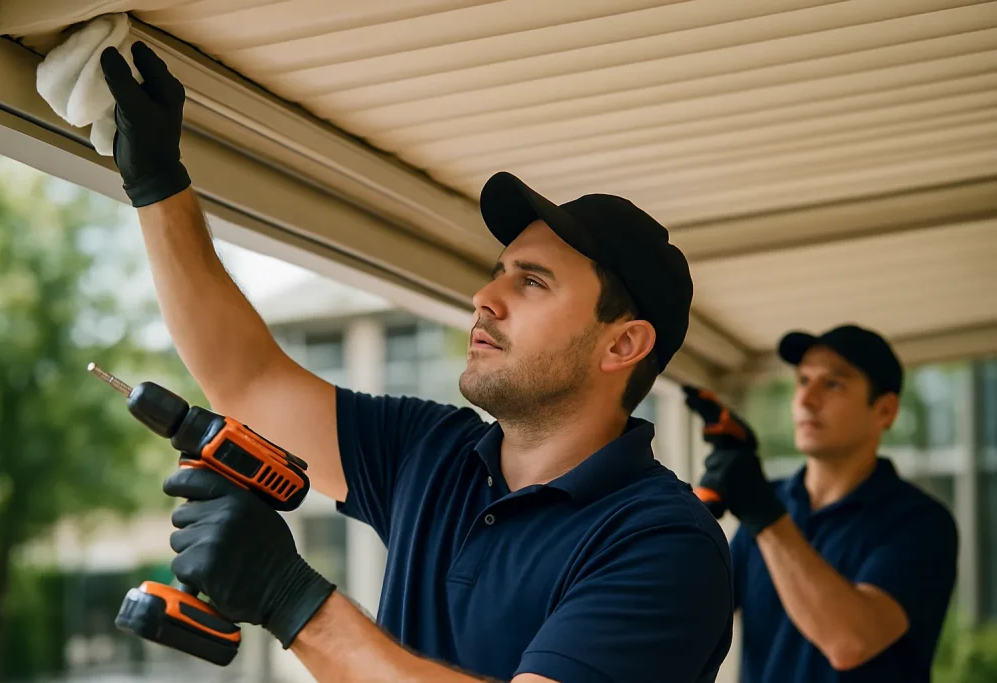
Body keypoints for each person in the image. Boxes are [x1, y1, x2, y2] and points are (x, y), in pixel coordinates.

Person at [98, 42, 734, 683]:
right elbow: (249, 379)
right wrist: (156, 183)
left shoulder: (663, 543)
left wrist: (290, 599)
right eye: (499, 274)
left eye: (533, 282)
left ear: (623, 345)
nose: (486, 298)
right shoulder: (431, 455)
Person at [685, 324, 959, 683]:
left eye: (833, 384)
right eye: (803, 381)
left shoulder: (921, 523)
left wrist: (764, 516)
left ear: (885, 411)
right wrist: (684, 516)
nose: (806, 400)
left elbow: (850, 642)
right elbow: (693, 613)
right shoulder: (771, 500)